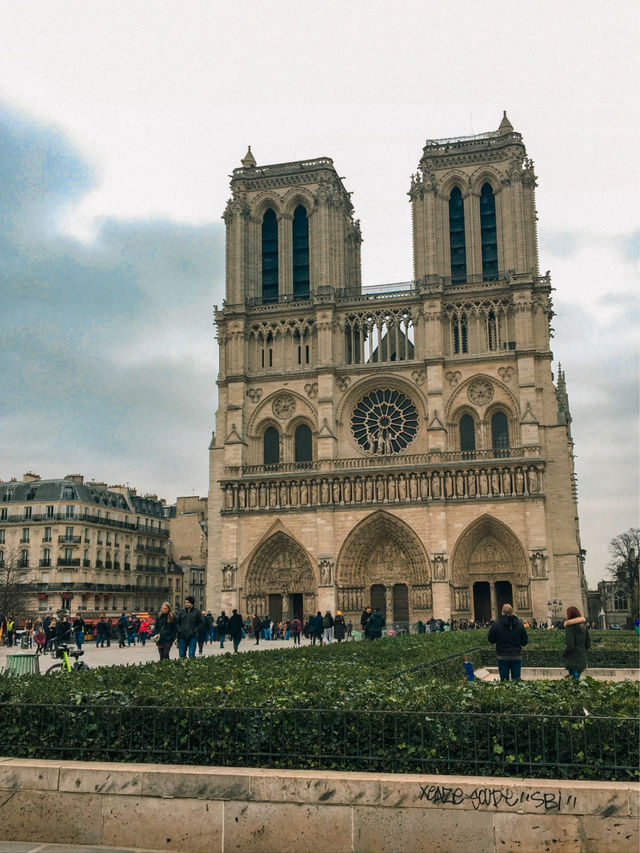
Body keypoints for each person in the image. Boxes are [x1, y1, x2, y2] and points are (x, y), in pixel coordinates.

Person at [488, 603, 528, 681]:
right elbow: (525, 642)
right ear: (513, 613)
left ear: (502, 613)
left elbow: (491, 640)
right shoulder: (520, 624)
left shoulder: (496, 625)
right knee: (517, 681)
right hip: (516, 656)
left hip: (502, 656)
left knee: (504, 681)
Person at [563, 605, 590, 680]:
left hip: (572, 658)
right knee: (577, 678)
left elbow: (570, 645)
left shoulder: (570, 627)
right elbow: (588, 644)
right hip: (582, 656)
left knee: (574, 681)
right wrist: (582, 650)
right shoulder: (584, 626)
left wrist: (564, 653)